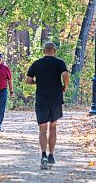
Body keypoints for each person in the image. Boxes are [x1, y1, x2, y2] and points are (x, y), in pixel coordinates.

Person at [26, 42, 69, 170]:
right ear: (54, 51)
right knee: (53, 127)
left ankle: (43, 155)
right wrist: (64, 87)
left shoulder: (37, 63)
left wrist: (36, 82)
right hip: (55, 99)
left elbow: (28, 80)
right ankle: (51, 155)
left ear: (44, 51)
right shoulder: (59, 63)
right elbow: (66, 75)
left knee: (42, 129)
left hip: (41, 99)